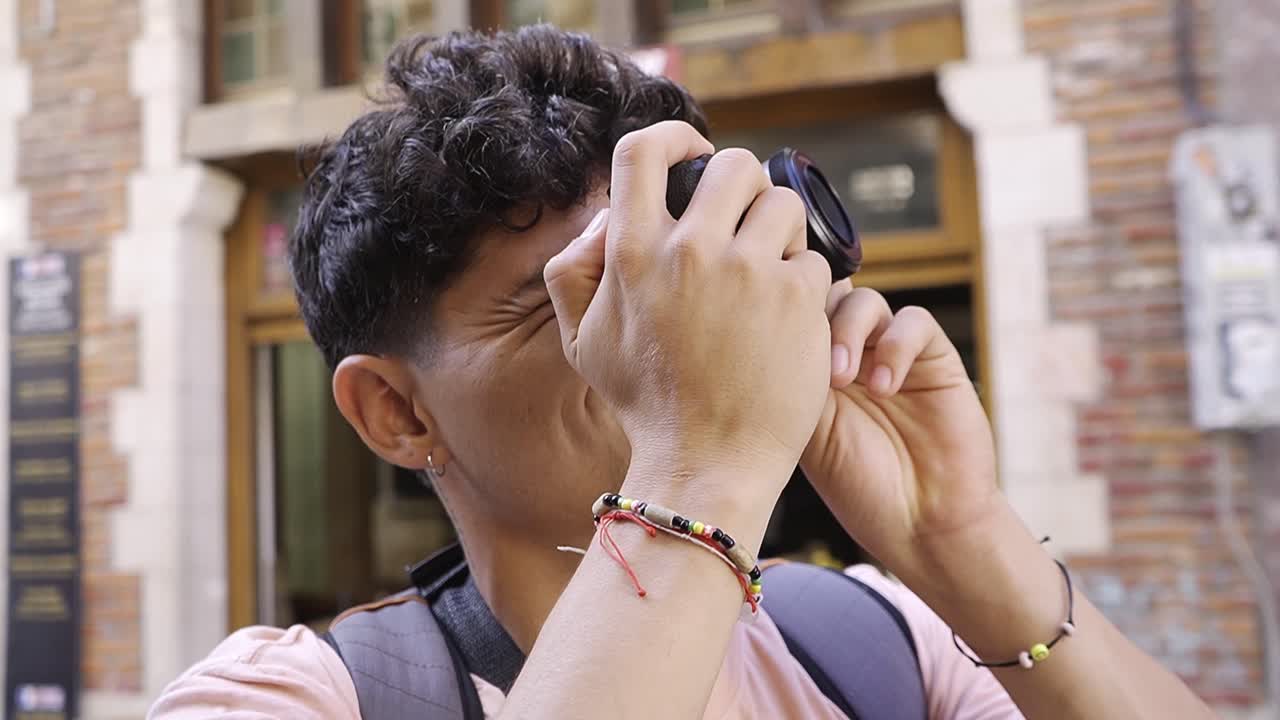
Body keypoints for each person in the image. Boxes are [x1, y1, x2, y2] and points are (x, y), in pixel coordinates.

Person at [149, 26, 1214, 719]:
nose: (665, 332)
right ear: (395, 412)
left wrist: (960, 537)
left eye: (677, 276)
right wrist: (699, 461)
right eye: (587, 298)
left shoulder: (875, 642)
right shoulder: (285, 699)